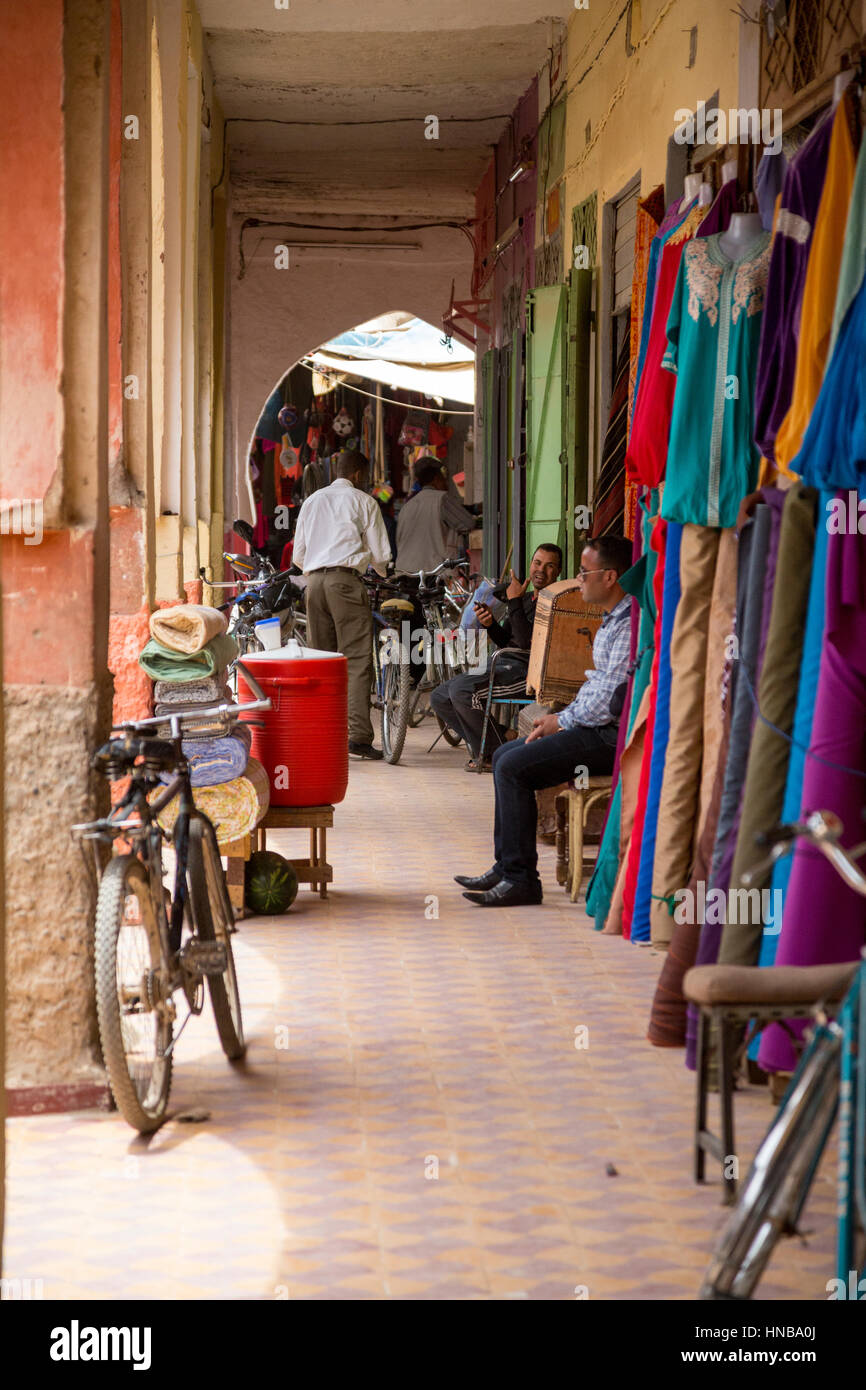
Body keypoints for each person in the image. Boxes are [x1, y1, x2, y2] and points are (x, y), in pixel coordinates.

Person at [455, 535, 634, 906]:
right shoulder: (612, 619)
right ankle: (506, 866)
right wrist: (561, 716)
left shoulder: (630, 622)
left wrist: (562, 722)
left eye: (585, 573)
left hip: (609, 737)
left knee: (514, 767)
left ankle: (522, 879)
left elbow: (609, 701)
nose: (578, 579)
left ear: (611, 577)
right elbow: (597, 684)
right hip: (591, 725)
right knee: (504, 756)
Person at [292, 450, 391, 760]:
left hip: (314, 585)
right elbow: (381, 556)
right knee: (357, 660)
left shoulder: (312, 501)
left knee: (321, 660)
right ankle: (358, 736)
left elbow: (298, 555)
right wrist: (383, 571)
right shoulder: (364, 502)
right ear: (359, 475)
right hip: (345, 583)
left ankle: (322, 734)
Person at [430, 543, 563, 769]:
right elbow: (509, 641)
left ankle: (490, 753)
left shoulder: (556, 603)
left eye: (549, 566)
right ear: (530, 565)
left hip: (527, 673)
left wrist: (513, 602)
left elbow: (523, 645)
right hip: (504, 664)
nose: (541, 569)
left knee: (462, 690)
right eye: (537, 563)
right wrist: (490, 624)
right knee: (439, 697)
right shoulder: (524, 598)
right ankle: (501, 739)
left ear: (558, 572)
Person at [395, 459, 476, 575]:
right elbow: (468, 523)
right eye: (444, 480)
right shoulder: (441, 498)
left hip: (405, 573)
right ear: (436, 479)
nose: (446, 484)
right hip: (432, 574)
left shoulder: (406, 507)